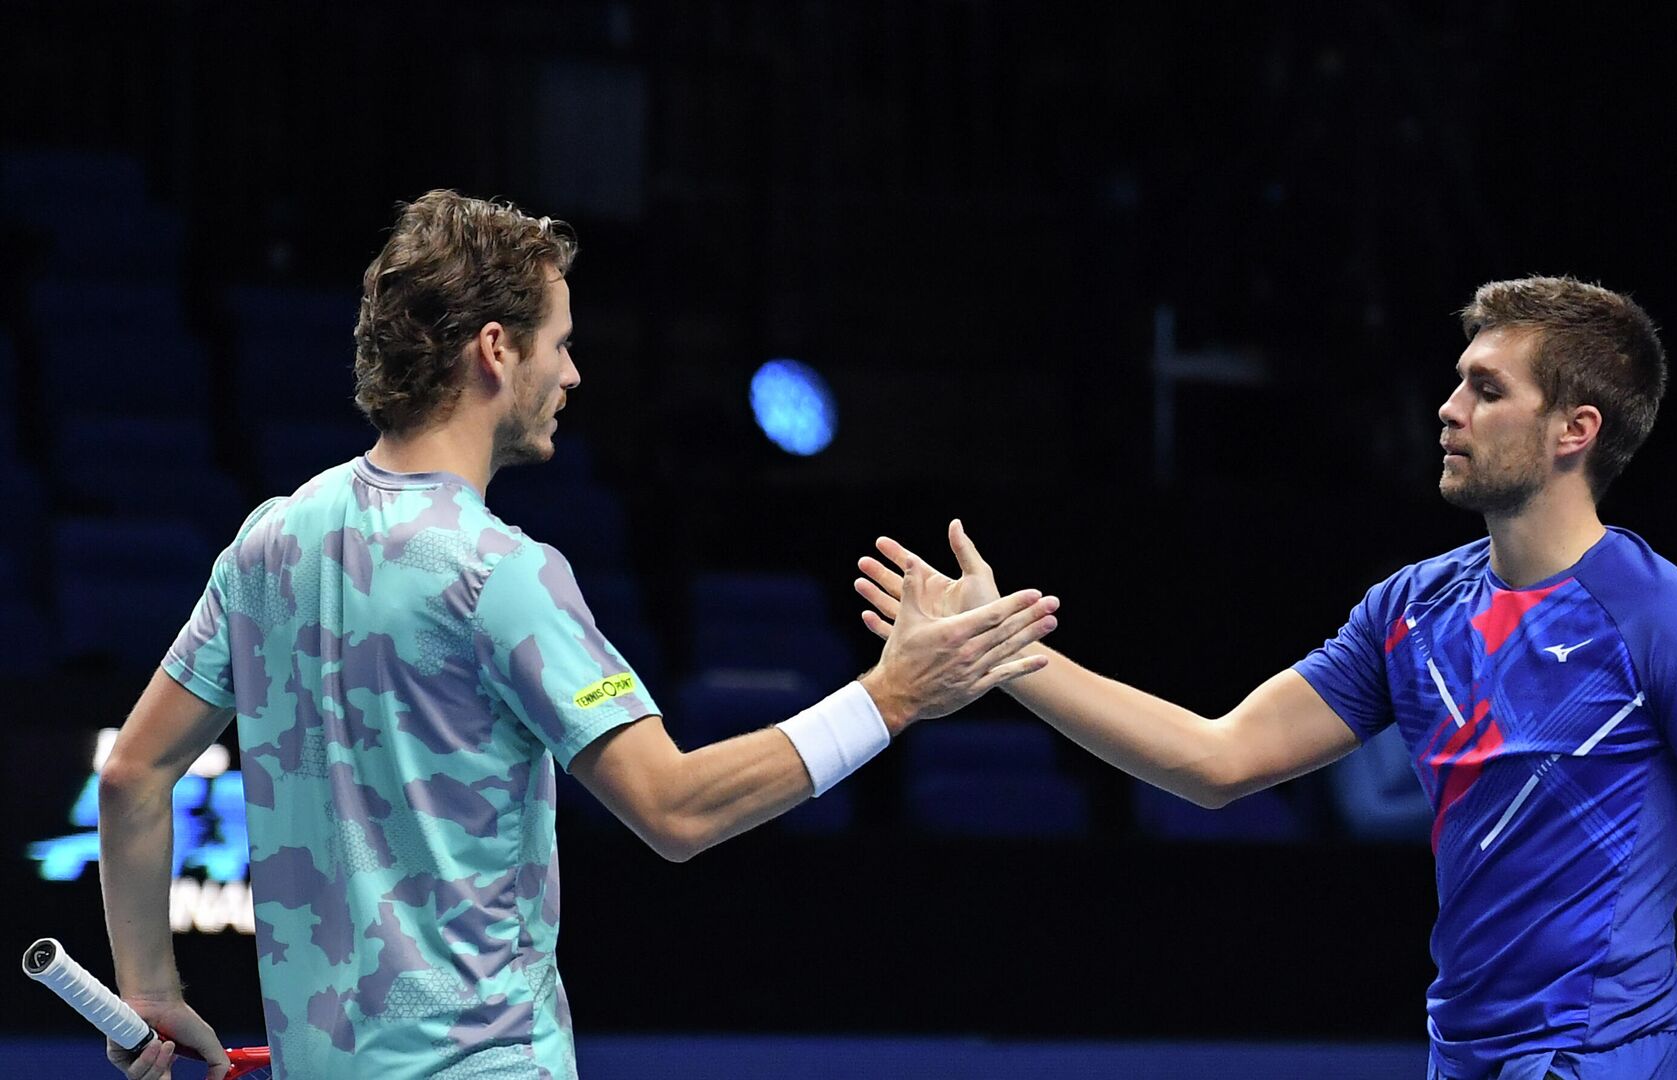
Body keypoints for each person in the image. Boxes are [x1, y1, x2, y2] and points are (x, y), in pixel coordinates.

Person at [96, 190, 1060, 1080]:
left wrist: (150, 993)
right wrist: (892, 697)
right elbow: (674, 811)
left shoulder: (267, 543)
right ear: (494, 350)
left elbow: (131, 774)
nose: (573, 371)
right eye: (557, 342)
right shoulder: (499, 573)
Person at [855, 277, 1677, 1079]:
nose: (1448, 408)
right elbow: (1217, 760)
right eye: (1456, 380)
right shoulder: (1409, 611)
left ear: (1575, 431)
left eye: (1487, 390)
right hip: (1463, 1055)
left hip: (1600, 1058)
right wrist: (1003, 654)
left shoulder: (1671, 624)